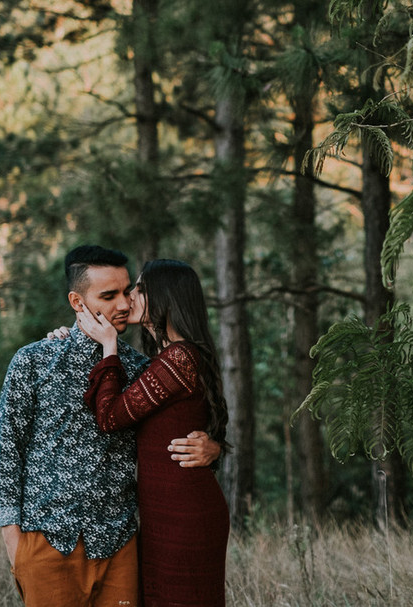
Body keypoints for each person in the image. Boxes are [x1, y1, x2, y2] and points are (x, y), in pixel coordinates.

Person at [0, 245, 221, 607]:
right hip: (48, 540)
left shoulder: (143, 368)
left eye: (128, 292)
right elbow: (8, 451)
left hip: (120, 545)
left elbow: (187, 416)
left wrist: (213, 446)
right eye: (109, 296)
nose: (125, 304)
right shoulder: (34, 361)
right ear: (77, 302)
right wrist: (13, 540)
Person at [80, 259, 231, 607]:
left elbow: (110, 416)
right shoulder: (170, 358)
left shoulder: (179, 358)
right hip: (167, 508)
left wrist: (109, 347)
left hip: (184, 512)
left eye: (139, 288)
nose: (129, 297)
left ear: (163, 298)